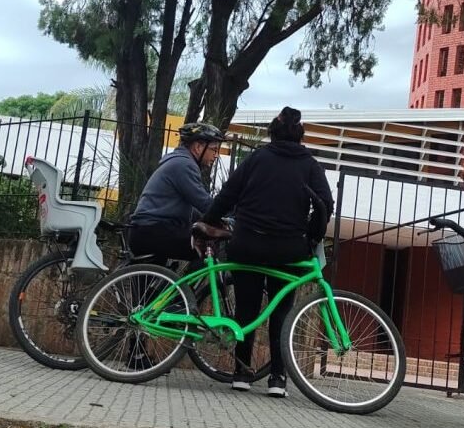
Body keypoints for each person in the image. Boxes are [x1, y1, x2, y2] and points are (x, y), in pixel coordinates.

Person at [200, 106, 334, 397]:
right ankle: (277, 378)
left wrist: (208, 220)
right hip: (287, 249)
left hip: (247, 243)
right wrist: (311, 236)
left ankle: (241, 373)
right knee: (281, 312)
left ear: (273, 131)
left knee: (246, 308)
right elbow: (325, 204)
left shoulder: (257, 158)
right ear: (300, 135)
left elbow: (227, 194)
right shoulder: (310, 165)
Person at [128, 122, 225, 265]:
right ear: (198, 147)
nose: (216, 155)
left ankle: (175, 286)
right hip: (152, 231)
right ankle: (186, 288)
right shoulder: (184, 165)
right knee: (205, 248)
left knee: (148, 286)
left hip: (146, 230)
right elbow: (204, 203)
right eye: (214, 149)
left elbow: (194, 210)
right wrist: (231, 214)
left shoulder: (179, 162)